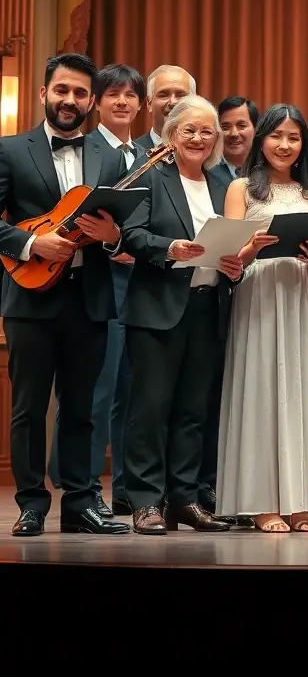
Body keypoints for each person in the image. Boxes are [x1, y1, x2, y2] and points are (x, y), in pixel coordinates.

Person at [0, 53, 130, 536]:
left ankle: (79, 502)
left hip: (91, 298)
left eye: (79, 93)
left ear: (91, 101)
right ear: (44, 94)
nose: (69, 100)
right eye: (61, 91)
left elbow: (129, 228)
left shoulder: (111, 158)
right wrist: (33, 242)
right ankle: (32, 503)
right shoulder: (11, 149)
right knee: (29, 408)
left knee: (81, 407)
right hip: (30, 299)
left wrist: (112, 237)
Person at [120, 95, 242, 534]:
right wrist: (169, 249)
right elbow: (131, 234)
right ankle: (147, 502)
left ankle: (183, 500)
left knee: (194, 411)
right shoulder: (152, 178)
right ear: (171, 135)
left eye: (207, 131)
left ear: (216, 140)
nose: (198, 138)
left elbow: (230, 243)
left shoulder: (223, 184)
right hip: (157, 308)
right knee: (151, 409)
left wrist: (235, 265)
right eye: (188, 129)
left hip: (208, 307)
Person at [217, 104, 308, 532]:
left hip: (301, 292)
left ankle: (300, 501)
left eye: (294, 137)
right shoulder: (242, 189)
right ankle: (260, 500)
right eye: (277, 136)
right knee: (261, 389)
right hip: (258, 290)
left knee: (300, 391)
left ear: (303, 145)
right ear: (262, 139)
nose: (285, 145)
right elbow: (228, 253)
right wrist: (249, 249)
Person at [49, 63, 147, 519]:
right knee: (95, 392)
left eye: (131, 96)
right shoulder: (82, 148)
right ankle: (82, 488)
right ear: (95, 103)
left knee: (131, 391)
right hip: (91, 283)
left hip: (140, 285)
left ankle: (125, 491)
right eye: (112, 95)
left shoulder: (149, 153)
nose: (122, 102)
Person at [197, 95, 259, 517]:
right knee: (207, 399)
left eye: (243, 125)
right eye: (227, 126)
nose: (234, 133)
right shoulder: (209, 175)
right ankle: (205, 486)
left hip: (259, 298)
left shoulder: (269, 176)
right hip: (211, 296)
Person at [135, 64, 195, 150]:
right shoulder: (129, 156)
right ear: (149, 103)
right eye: (163, 95)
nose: (173, 102)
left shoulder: (211, 158)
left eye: (181, 95)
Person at [210, 96, 259, 183]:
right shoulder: (207, 169)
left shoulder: (267, 169)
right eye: (225, 127)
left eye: (242, 126)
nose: (234, 134)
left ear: (256, 128)